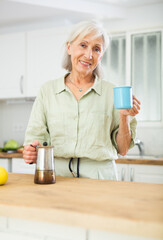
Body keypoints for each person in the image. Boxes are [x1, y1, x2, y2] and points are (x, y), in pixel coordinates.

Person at [23, 20, 141, 180]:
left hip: (100, 178)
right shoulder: (47, 91)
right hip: (57, 176)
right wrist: (31, 150)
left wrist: (124, 117)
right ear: (69, 47)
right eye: (83, 45)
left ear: (101, 55)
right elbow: (35, 139)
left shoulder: (112, 93)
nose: (89, 55)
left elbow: (123, 149)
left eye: (96, 49)